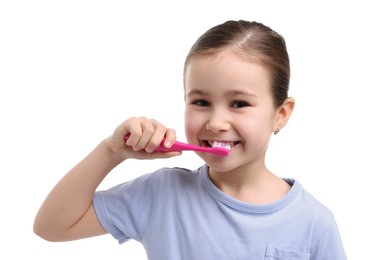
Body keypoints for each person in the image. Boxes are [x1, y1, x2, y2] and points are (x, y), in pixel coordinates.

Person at [33, 20, 347, 259]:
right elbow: (51, 227)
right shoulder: (161, 194)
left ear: (281, 113)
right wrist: (111, 151)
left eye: (239, 104)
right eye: (200, 102)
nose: (216, 122)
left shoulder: (313, 223)